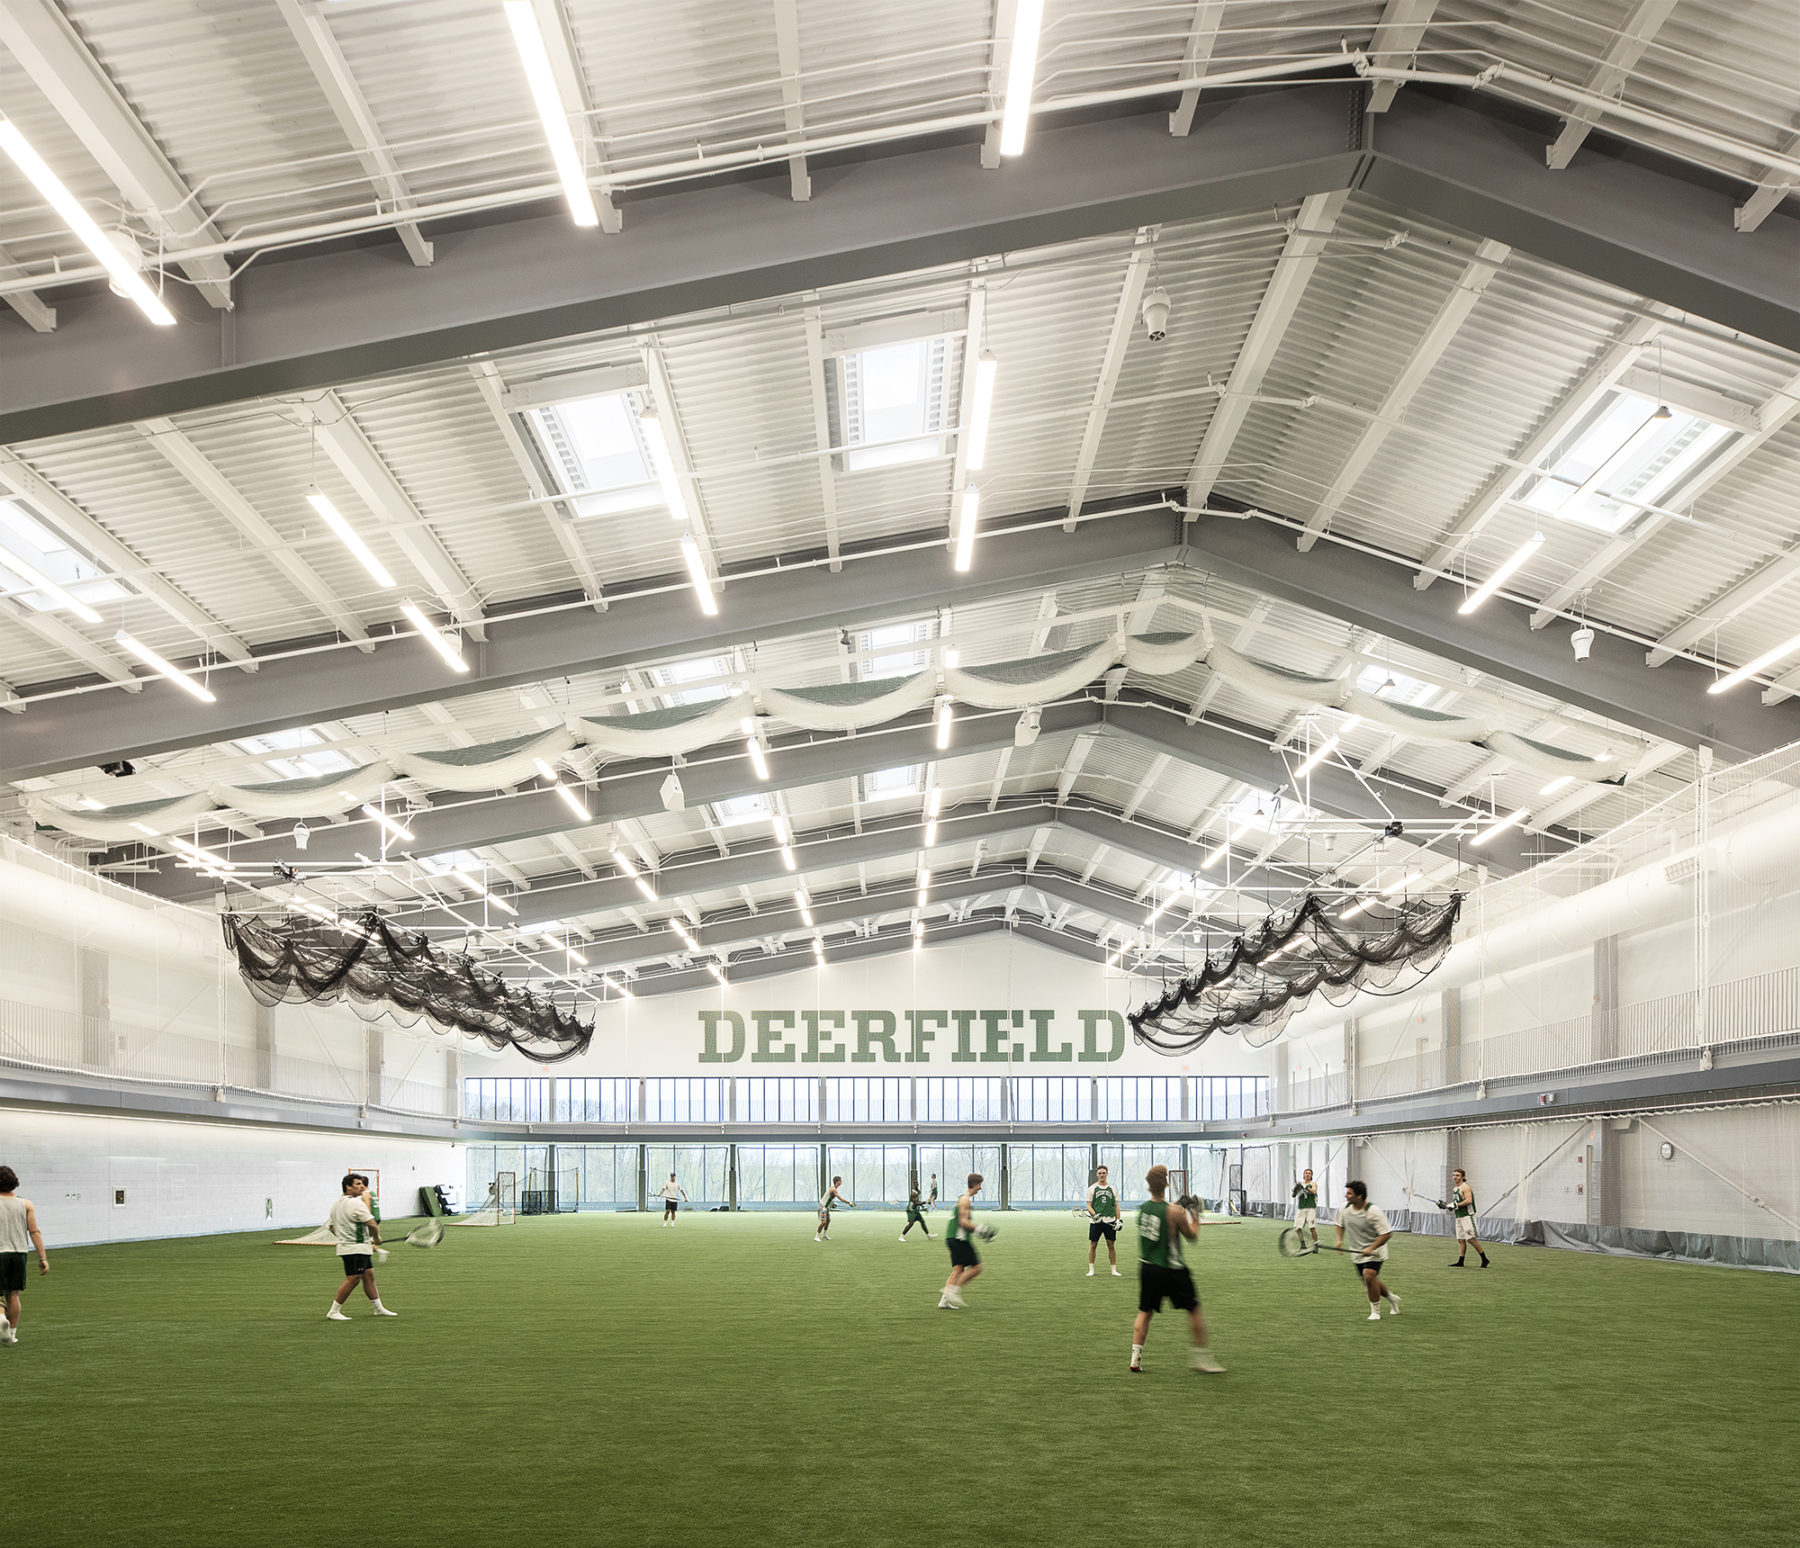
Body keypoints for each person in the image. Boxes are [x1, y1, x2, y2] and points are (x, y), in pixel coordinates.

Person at [1129, 1164, 1222, 1373]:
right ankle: (1202, 1359)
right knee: (1194, 1309)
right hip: (1171, 1268)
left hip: (1147, 1267)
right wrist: (1194, 1213)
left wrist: (1179, 1206)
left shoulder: (1143, 1209)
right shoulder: (1175, 1211)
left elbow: (1161, 1213)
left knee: (1145, 1311)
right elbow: (1191, 1236)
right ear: (1166, 1183)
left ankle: (1135, 1358)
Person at [326, 1172, 396, 1321]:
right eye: (358, 1184)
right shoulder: (356, 1203)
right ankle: (333, 1311)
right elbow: (371, 1222)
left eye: (362, 1184)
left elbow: (331, 1227)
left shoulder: (336, 1203)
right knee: (353, 1278)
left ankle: (378, 1308)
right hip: (356, 1249)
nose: (362, 1186)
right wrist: (376, 1238)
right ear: (348, 1187)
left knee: (368, 1276)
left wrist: (344, 1237)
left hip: (350, 1247)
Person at [1336, 1180, 1400, 1321]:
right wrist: (1339, 1240)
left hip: (1376, 1251)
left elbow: (1386, 1234)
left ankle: (1375, 1312)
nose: (1346, 1196)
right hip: (1356, 1252)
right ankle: (1392, 1298)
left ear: (1359, 1196)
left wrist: (1371, 1248)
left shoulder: (1373, 1211)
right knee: (1371, 1282)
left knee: (1368, 1276)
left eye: (1349, 1193)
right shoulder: (1344, 1208)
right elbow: (1339, 1224)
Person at [0, 1166, 49, 1347]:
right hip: (19, 1254)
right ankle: (11, 1334)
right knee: (13, 1294)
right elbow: (34, 1231)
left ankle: (0, 1318)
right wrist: (42, 1258)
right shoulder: (26, 1204)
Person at [939, 1173, 986, 1310]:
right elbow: (964, 1222)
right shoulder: (966, 1200)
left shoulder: (962, 1199)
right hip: (959, 1240)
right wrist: (980, 1228)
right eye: (979, 1184)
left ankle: (944, 1301)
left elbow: (963, 1224)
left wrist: (979, 1232)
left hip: (951, 1238)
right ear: (974, 1184)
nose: (980, 1188)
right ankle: (953, 1291)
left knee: (958, 1270)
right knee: (977, 1268)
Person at [1085, 1163, 1123, 1277]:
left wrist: (1118, 1220)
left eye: (1104, 1173)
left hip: (1110, 1221)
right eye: (1100, 1173)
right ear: (1097, 1174)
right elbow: (1088, 1205)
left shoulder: (1113, 1189)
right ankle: (1091, 1270)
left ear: (1107, 1174)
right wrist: (1095, 1215)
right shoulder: (1091, 1189)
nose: (1102, 1175)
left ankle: (1113, 1270)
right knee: (1093, 1245)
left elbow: (1116, 1206)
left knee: (1111, 1245)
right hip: (1096, 1222)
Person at [1446, 1169, 1490, 1268]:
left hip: (1467, 1216)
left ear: (1462, 1177)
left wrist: (1455, 1205)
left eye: (1457, 1175)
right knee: (1461, 1239)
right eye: (1453, 1175)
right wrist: (1448, 1206)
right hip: (1459, 1216)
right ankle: (1461, 1261)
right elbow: (1456, 1204)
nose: (1455, 1177)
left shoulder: (1465, 1187)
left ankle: (1484, 1259)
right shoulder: (1455, 1189)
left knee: (1470, 1239)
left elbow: (1469, 1201)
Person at [1291, 1167, 1320, 1252]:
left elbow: (1314, 1191)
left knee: (1312, 1227)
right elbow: (1293, 1195)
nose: (1307, 1174)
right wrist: (1295, 1189)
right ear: (1304, 1175)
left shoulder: (1313, 1183)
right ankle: (1303, 1245)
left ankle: (1315, 1245)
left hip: (1310, 1208)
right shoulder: (1300, 1184)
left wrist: (1305, 1187)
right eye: (1306, 1173)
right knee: (1297, 1227)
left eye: (1309, 1173)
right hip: (1301, 1208)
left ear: (1311, 1175)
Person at [816, 1175, 853, 1241]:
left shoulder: (834, 1189)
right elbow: (840, 1199)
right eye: (840, 1181)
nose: (841, 1182)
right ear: (837, 1181)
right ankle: (816, 1236)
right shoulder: (833, 1189)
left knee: (828, 1220)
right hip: (822, 1207)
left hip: (826, 1208)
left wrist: (833, 1204)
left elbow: (828, 1199)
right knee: (824, 1222)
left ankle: (824, 1235)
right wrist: (849, 1203)